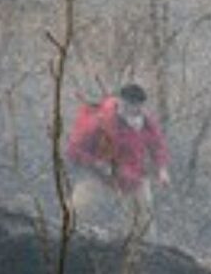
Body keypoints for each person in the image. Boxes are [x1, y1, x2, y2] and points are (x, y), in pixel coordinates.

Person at [66, 83, 170, 241]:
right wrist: (97, 164)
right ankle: (64, 233)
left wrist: (162, 169)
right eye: (131, 105)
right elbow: (75, 149)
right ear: (122, 102)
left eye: (138, 106)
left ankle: (143, 248)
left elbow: (157, 145)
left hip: (133, 177)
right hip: (100, 174)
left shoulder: (146, 122)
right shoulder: (101, 121)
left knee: (144, 216)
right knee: (79, 207)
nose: (135, 110)